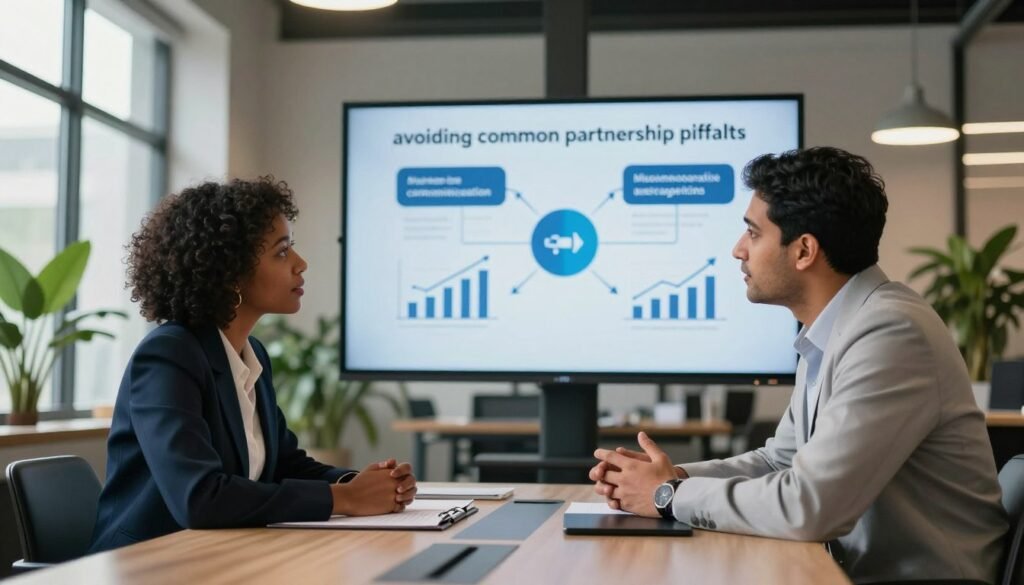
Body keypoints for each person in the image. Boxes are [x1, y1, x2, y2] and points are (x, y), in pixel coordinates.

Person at [590, 147, 1007, 582]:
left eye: (752, 233)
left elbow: (810, 506)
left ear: (804, 250)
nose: (737, 250)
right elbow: (781, 462)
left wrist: (668, 496)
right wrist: (667, 477)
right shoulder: (834, 328)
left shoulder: (891, 333)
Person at [90, 177, 416, 552]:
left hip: (217, 555)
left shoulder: (251, 354)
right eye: (281, 252)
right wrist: (345, 500)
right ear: (230, 273)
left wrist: (360, 483)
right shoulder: (169, 355)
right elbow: (199, 498)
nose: (300, 264)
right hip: (147, 562)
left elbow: (284, 464)